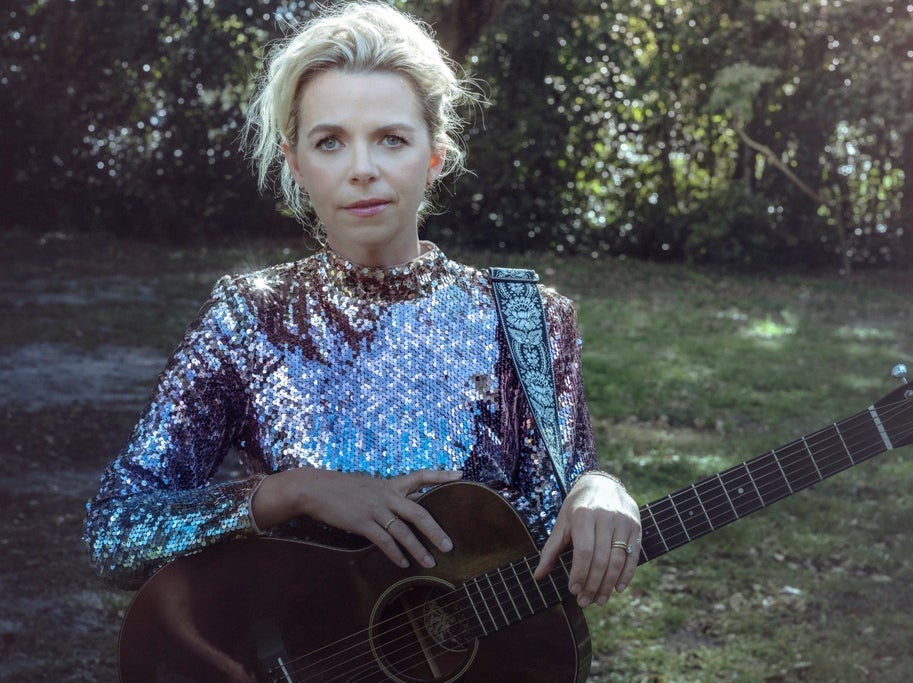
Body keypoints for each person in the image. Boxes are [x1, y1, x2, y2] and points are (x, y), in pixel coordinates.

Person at [84, 0, 640, 665]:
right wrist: (292, 490)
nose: (362, 168)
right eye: (330, 142)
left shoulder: (526, 318)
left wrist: (599, 490)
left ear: (435, 155)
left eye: (391, 139)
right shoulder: (248, 317)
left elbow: (558, 529)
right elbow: (114, 533)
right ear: (295, 162)